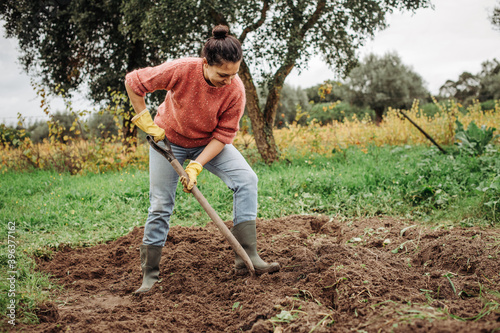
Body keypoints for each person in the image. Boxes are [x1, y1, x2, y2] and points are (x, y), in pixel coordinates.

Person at [125, 25, 280, 294]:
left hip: (207, 143)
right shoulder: (183, 69)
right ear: (206, 63)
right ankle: (149, 274)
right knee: (161, 204)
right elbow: (134, 82)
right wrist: (146, 122)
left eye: (235, 74)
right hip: (167, 142)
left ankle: (248, 257)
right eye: (223, 74)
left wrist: (197, 165)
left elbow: (223, 135)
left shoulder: (236, 91)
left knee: (246, 179)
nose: (229, 80)